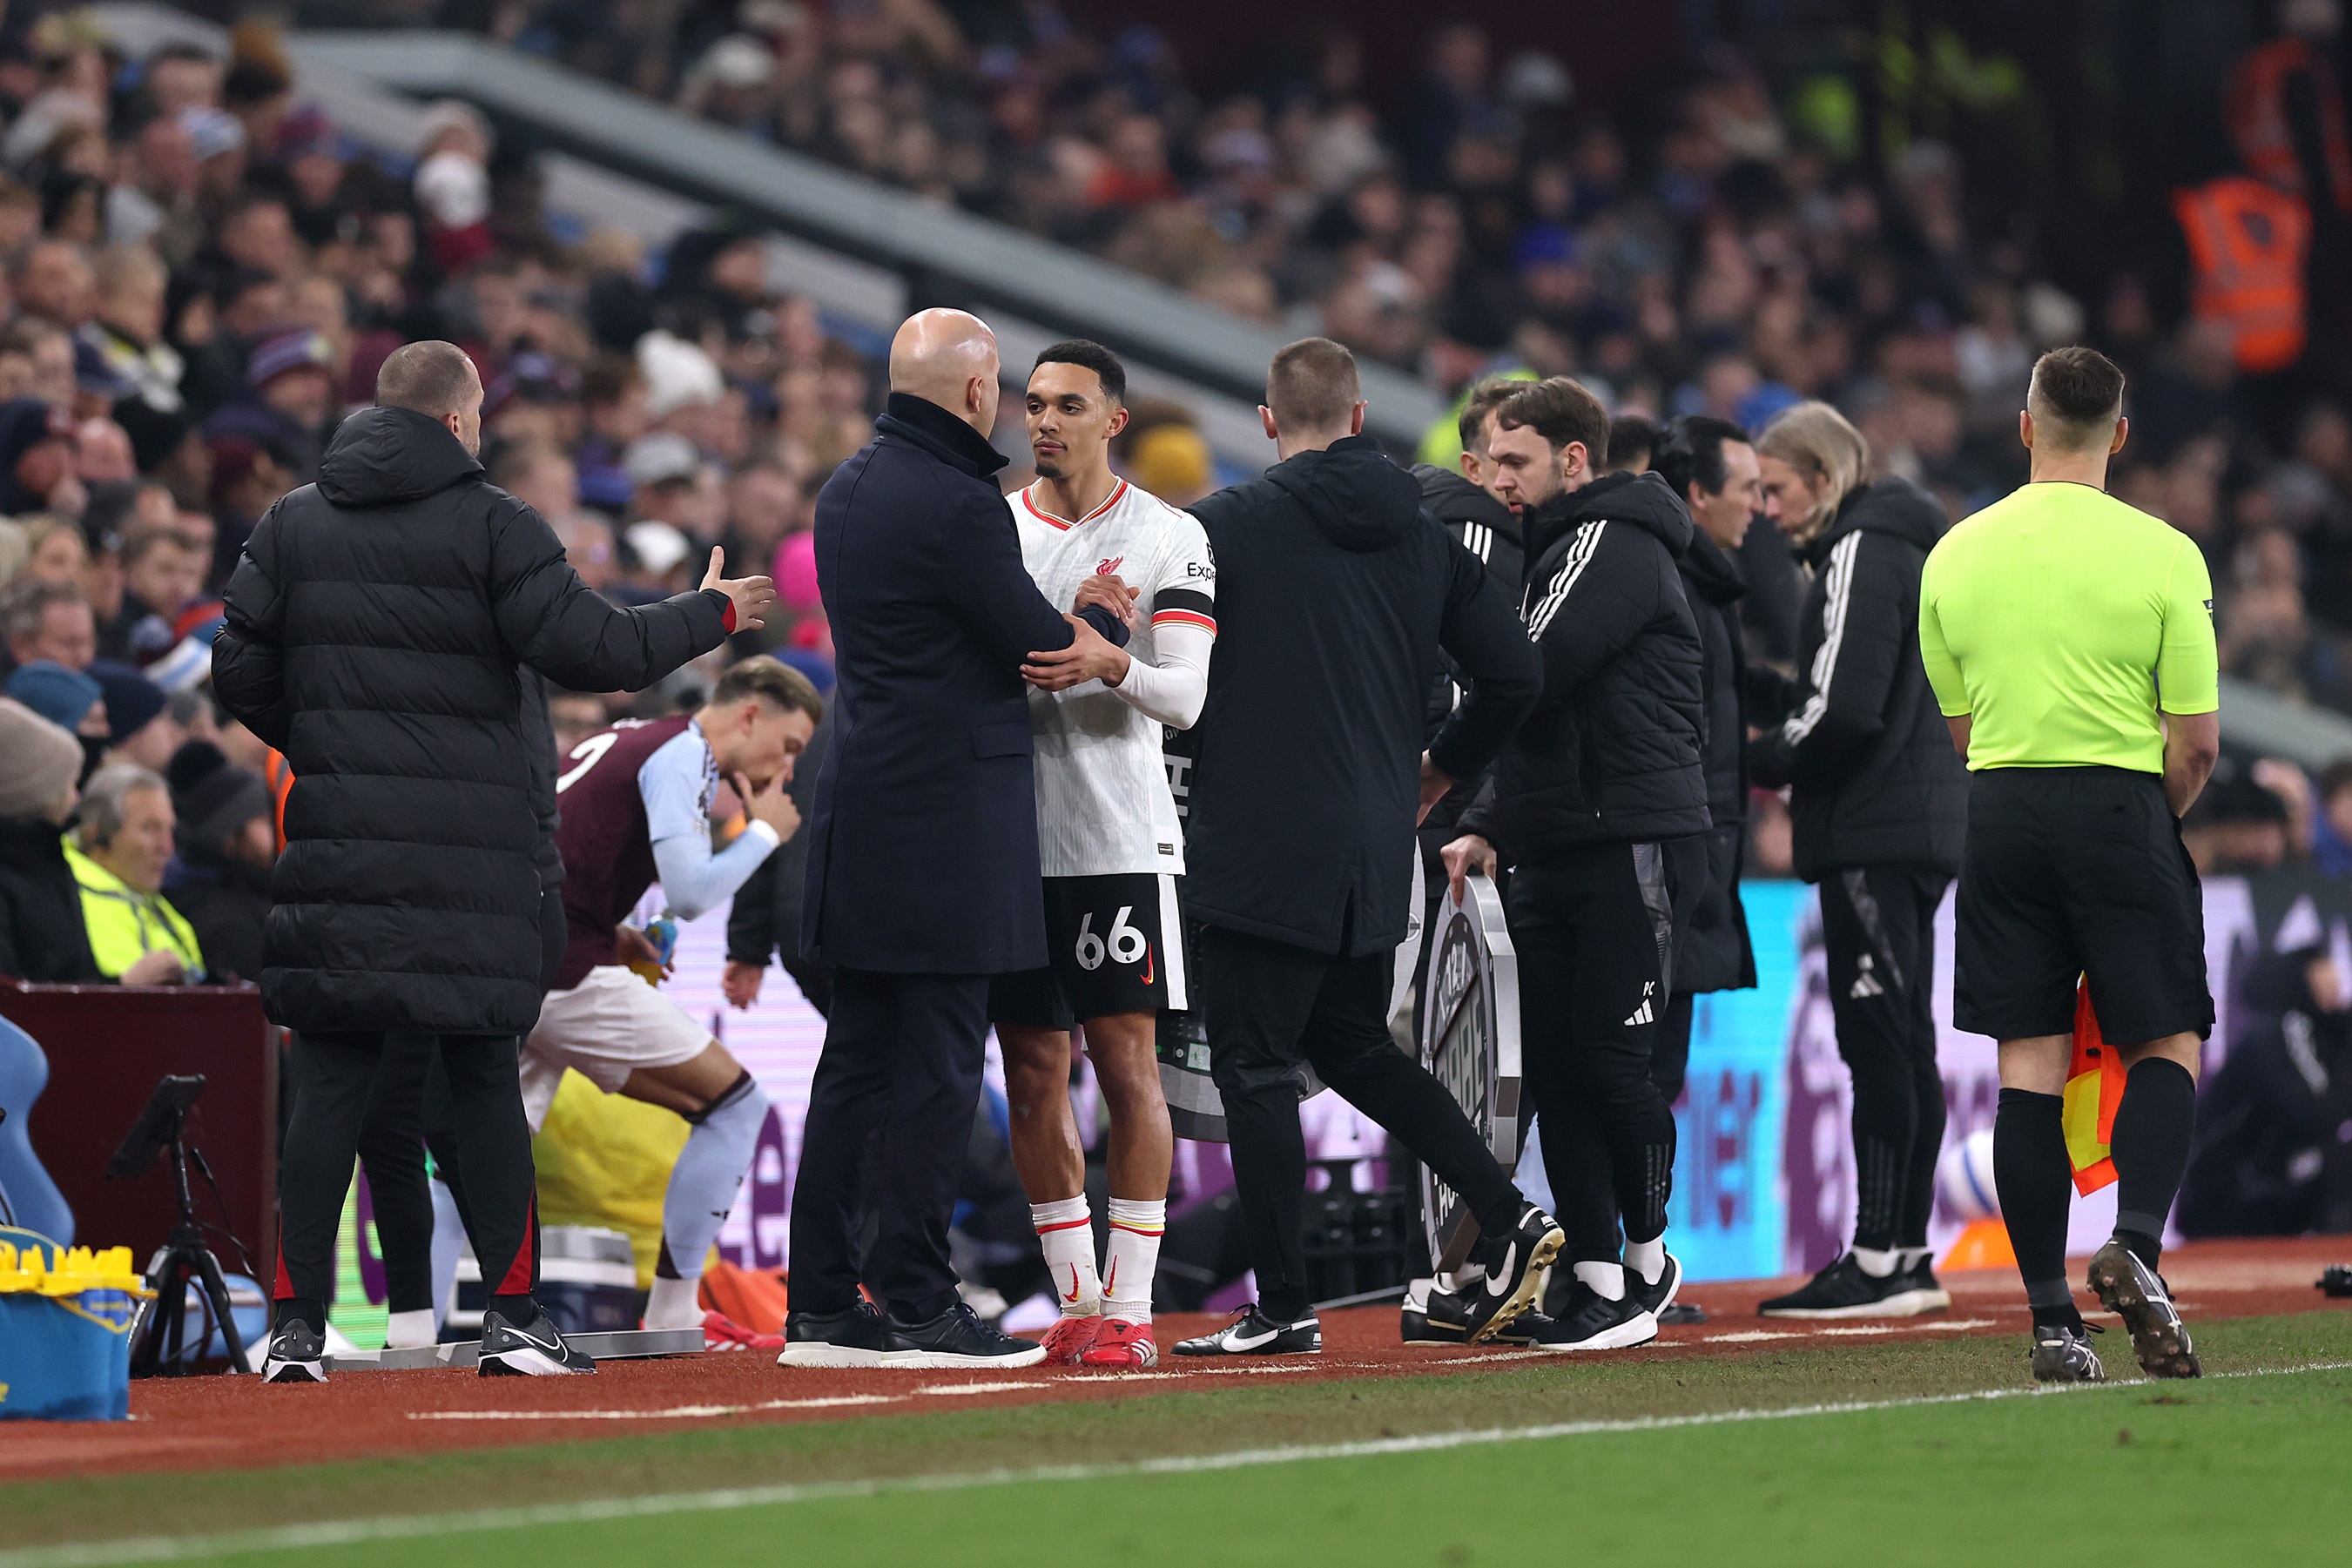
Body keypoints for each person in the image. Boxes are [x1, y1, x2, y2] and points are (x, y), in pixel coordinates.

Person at [213, 339, 775, 1384]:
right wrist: (716, 613)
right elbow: (598, 653)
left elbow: (236, 662)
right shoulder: (494, 523)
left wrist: (332, 742)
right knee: (478, 1075)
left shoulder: (292, 521)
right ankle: (511, 1323)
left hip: (339, 852)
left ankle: (293, 1331)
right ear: (462, 419)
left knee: (330, 1081)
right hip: (474, 866)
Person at [1176, 337, 1556, 1358]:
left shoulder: (1222, 526)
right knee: (1347, 1046)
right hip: (1373, 840)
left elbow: (1171, 678)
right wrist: (1439, 772)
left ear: (1267, 420)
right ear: (1357, 417)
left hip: (1256, 839)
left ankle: (1282, 1304)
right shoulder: (1425, 536)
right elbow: (1516, 676)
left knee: (1253, 1066)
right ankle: (1512, 1212)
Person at [783, 308, 1131, 1370]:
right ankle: (920, 1302)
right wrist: (1104, 623)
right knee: (936, 1065)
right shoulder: (955, 502)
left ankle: (823, 1305)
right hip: (944, 826)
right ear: (978, 393)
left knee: (855, 1066)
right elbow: (1034, 646)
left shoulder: (845, 487)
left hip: (863, 807)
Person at [1918, 346, 2220, 1383]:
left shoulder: (1952, 553)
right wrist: (2151, 815)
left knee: (2028, 1068)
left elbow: (1960, 731)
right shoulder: (2166, 553)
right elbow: (2197, 741)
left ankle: (2050, 1323)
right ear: (2121, 436)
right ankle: (2133, 1243)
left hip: (2001, 809)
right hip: (2121, 803)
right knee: (2164, 1041)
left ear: (2024, 426)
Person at [1445, 376, 1708, 1352]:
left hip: (1626, 838)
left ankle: (1645, 1259)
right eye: (1488, 461)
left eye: (1514, 461)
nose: (1498, 479)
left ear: (1573, 459)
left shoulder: (1611, 540)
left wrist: (1442, 771)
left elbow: (1528, 673)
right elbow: (1530, 716)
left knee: (1609, 1063)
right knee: (1555, 1069)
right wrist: (1487, 818)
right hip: (1552, 837)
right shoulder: (1546, 550)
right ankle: (1592, 1273)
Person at [990, 340, 1217, 1372]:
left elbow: (1186, 696)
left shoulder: (1170, 535)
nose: (1044, 422)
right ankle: (1076, 1299)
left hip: (1116, 837)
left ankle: (1132, 1303)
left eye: (1067, 405)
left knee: (1126, 1065)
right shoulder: (992, 528)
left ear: (1111, 420)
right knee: (1033, 1067)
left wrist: (1109, 658)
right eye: (1033, 404)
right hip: (1001, 839)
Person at [1748, 401, 1969, 1320]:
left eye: (1776, 486)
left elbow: (1841, 708)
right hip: (1911, 817)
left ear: (1825, 476)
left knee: (1879, 1038)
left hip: (1875, 826)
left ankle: (1879, 1255)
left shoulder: (1859, 549)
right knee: (1903, 1038)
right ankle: (1904, 1251)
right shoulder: (1905, 545)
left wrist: (1750, 758)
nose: (1764, 505)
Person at [526, 656, 819, 1349]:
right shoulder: (683, 751)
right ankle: (673, 1312)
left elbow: (562, 852)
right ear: (750, 714)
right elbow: (690, 892)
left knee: (472, 1154)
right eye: (790, 744)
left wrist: (617, 930)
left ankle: (412, 1327)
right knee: (736, 1105)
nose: (786, 766)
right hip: (564, 971)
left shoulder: (634, 735)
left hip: (520, 956)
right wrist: (765, 832)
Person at [1647, 416, 1762, 1109]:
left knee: (1659, 1079)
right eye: (1746, 488)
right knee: (1647, 1080)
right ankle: (1626, 1222)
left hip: (1693, 862)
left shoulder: (1707, 586)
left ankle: (1637, 1222)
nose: (1758, 504)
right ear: (1696, 492)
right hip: (1673, 870)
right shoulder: (1679, 588)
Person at [64, 763, 204, 984]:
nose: (167, 848)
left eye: (170, 830)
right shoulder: (65, 900)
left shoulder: (167, 916)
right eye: (150, 828)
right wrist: (126, 986)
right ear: (97, 836)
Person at [0, 697, 99, 982]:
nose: (76, 799)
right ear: (33, 789)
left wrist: (122, 986)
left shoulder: (49, 857)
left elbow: (72, 976)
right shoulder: (24, 870)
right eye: (67, 784)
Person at [159, 737, 274, 983]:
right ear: (227, 837)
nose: (279, 828)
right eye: (264, 820)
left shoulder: (258, 890)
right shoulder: (225, 925)